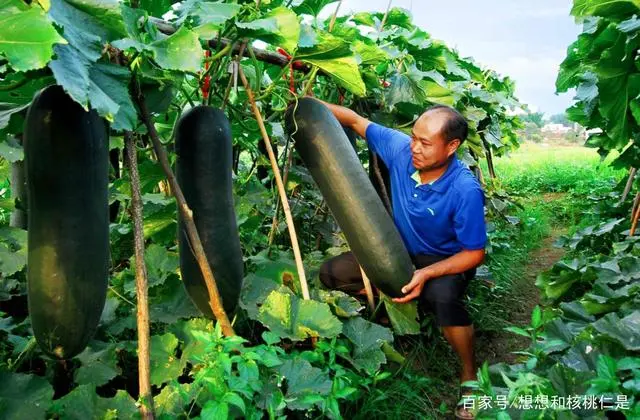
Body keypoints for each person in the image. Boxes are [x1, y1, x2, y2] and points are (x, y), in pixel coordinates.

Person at [318, 101, 487, 419]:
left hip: (445, 261)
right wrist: (305, 102)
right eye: (413, 137)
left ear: (452, 146)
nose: (415, 148)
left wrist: (427, 274)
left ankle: (469, 376)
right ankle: (391, 313)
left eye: (425, 143)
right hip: (399, 252)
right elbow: (354, 120)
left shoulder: (464, 190)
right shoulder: (401, 151)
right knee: (333, 272)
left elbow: (474, 253)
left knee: (444, 299)